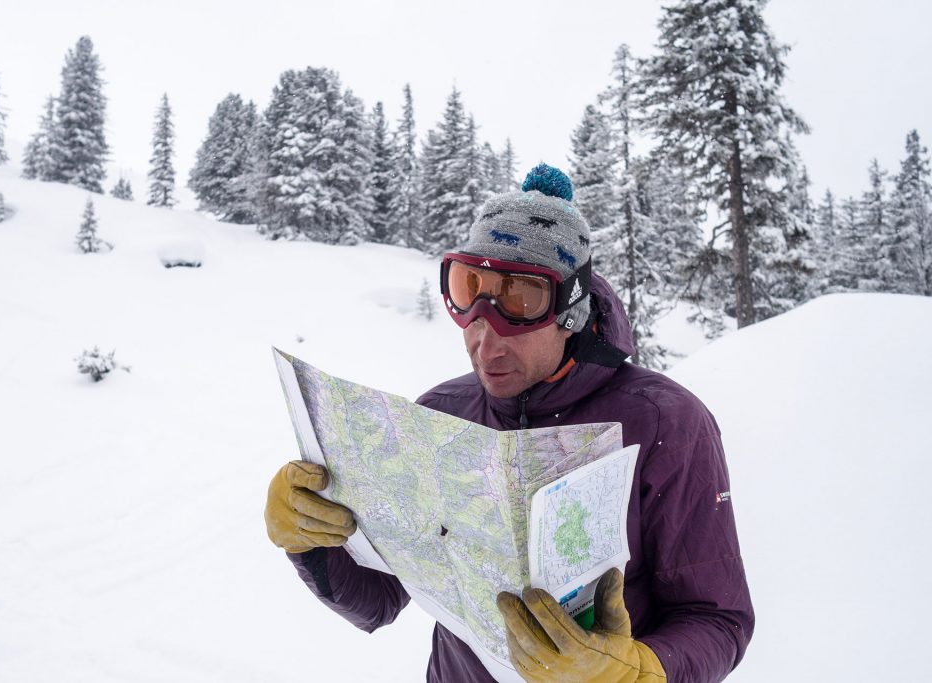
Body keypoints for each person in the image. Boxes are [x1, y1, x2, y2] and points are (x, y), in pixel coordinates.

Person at [264, 164, 754, 683]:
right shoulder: (442, 415)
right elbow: (378, 601)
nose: (485, 341)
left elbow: (717, 618)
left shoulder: (664, 423)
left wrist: (640, 672)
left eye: (519, 301)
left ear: (570, 311)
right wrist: (313, 541)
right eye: (468, 289)